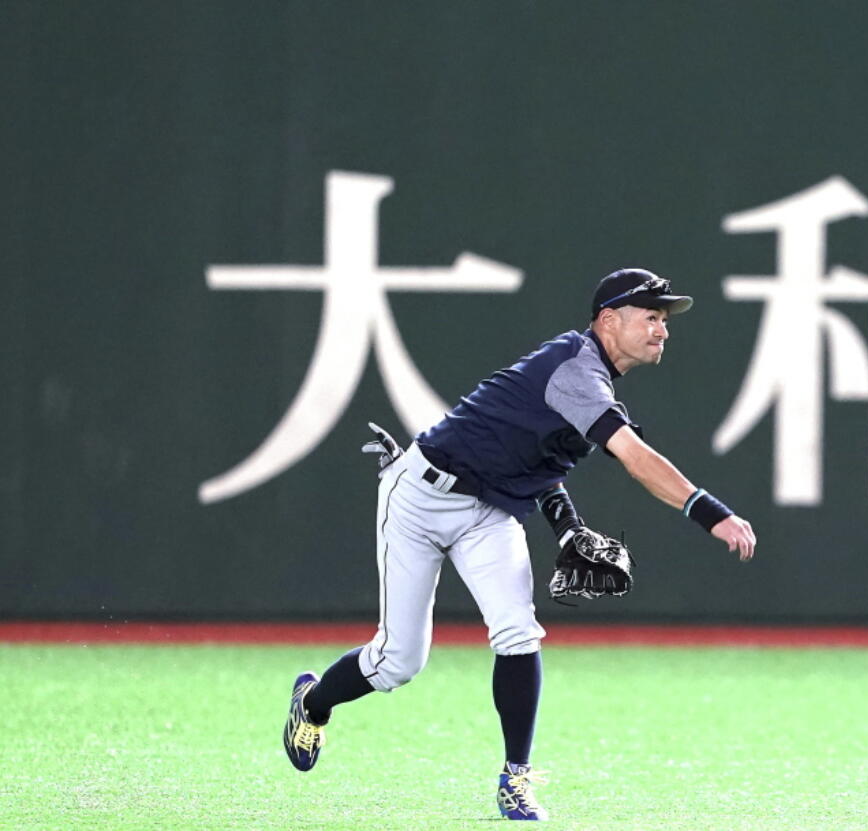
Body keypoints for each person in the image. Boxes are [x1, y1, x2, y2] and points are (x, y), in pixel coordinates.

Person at [281, 267, 757, 820]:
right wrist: (710, 513)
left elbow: (542, 465)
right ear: (609, 320)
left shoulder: (591, 382)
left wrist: (569, 528)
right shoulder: (577, 373)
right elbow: (635, 460)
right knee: (397, 662)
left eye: (663, 319)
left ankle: (515, 777)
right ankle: (313, 704)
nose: (662, 329)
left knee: (518, 633)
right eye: (651, 316)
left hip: (490, 511)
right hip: (418, 500)